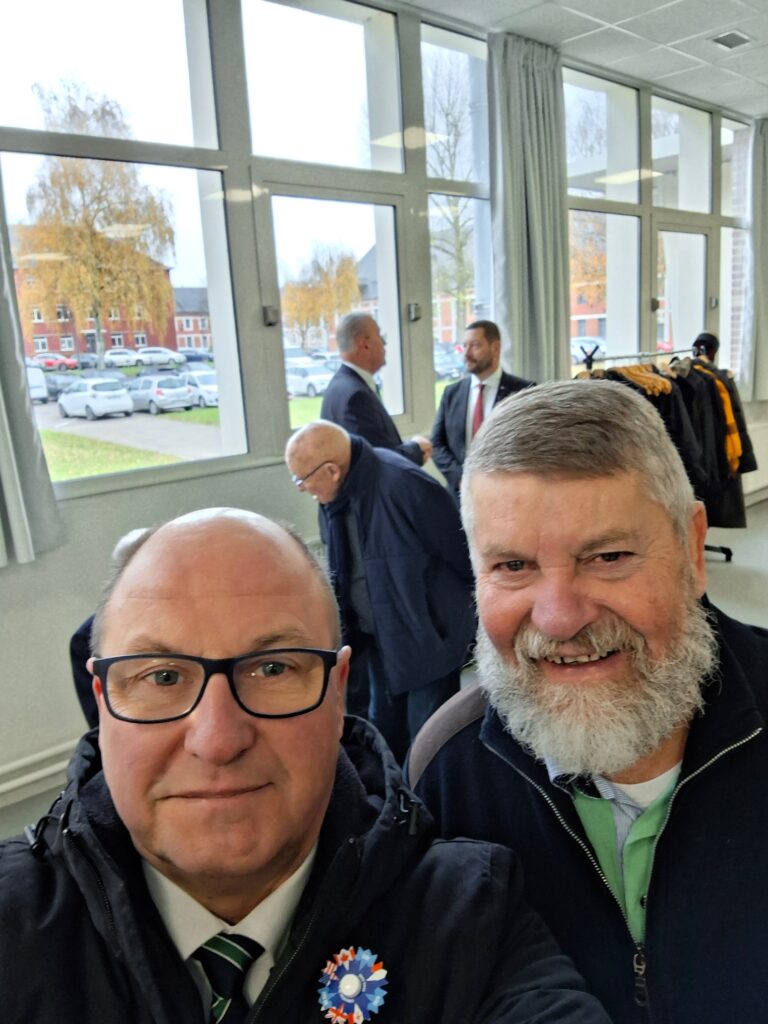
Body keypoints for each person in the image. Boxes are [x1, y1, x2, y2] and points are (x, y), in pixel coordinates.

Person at [0, 508, 612, 1024]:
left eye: (273, 669)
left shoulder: (470, 919)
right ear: (103, 699)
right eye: (161, 677)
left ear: (338, 690)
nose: (218, 740)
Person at [409, 379, 768, 1024]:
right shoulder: (447, 773)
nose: (559, 618)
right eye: (513, 567)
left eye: (607, 556)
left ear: (692, 549)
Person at [286, 421, 474, 762]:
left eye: (302, 478)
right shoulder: (331, 495)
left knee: (430, 741)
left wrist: (449, 628)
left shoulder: (407, 484)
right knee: (384, 733)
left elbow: (464, 557)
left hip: (428, 641)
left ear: (331, 470)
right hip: (378, 641)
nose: (300, 487)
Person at [431, 320, 533, 501]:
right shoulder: (451, 393)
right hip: (460, 498)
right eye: (465, 346)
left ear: (495, 348)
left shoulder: (523, 392)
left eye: (475, 345)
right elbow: (437, 443)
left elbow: (530, 445)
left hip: (506, 495)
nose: (466, 353)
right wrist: (461, 478)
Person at [321, 311, 432, 466]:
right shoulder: (356, 396)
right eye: (379, 336)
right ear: (365, 344)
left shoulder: (340, 385)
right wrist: (416, 449)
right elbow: (377, 461)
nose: (384, 343)